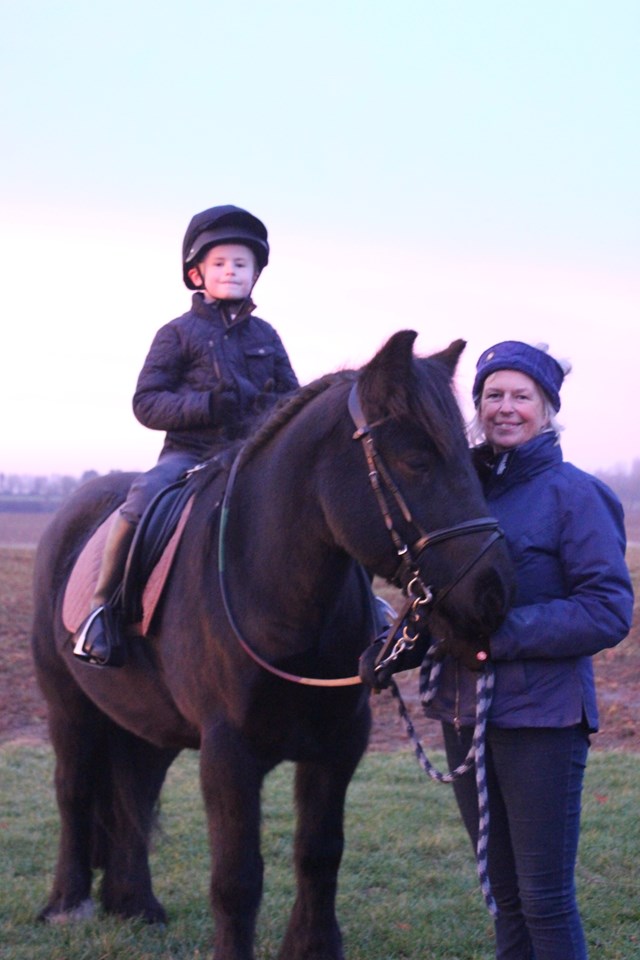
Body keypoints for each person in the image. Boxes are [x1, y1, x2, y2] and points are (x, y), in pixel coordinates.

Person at [360, 340, 634, 960]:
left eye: (521, 397)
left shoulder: (576, 494)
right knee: (502, 895)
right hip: (465, 715)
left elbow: (608, 609)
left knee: (544, 899)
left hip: (543, 719)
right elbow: (444, 588)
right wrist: (404, 640)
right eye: (492, 396)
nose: (505, 408)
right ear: (476, 407)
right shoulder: (464, 494)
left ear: (547, 409)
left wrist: (495, 638)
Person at [73, 204, 299, 664]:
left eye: (242, 264)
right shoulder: (176, 334)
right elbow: (147, 402)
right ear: (197, 274)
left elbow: (292, 399)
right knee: (143, 496)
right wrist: (205, 406)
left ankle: (365, 609)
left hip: (251, 457)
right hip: (188, 455)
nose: (232, 271)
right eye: (220, 263)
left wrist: (268, 409)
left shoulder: (267, 336)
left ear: (255, 274)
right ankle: (104, 609)